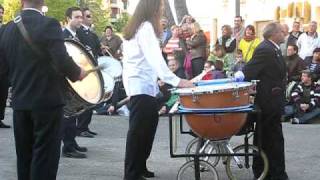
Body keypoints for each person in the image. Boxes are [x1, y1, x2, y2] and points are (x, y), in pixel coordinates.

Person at [0, 0, 88, 179]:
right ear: (44, 1)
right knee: (44, 160)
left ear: (21, 1)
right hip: (47, 103)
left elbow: (3, 69)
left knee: (24, 158)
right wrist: (78, 72)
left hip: (20, 103)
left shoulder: (7, 29)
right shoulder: (49, 24)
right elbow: (62, 60)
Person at [122, 0, 194, 179]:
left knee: (147, 128)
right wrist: (178, 81)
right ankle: (131, 172)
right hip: (140, 86)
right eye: (160, 7)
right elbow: (156, 60)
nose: (162, 10)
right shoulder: (145, 27)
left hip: (143, 85)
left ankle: (140, 166)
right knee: (139, 131)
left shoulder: (139, 28)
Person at [243, 22, 289, 180]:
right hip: (268, 102)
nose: (285, 34)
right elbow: (249, 70)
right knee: (269, 139)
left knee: (270, 138)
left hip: (274, 101)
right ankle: (270, 173)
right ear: (274, 34)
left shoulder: (273, 49)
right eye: (282, 32)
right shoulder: (265, 49)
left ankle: (269, 172)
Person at [62, 6, 90, 159]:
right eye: (77, 17)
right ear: (68, 19)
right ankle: (67, 147)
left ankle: (72, 142)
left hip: (75, 80)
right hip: (67, 81)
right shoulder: (63, 35)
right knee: (68, 114)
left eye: (81, 17)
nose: (80, 20)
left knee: (74, 113)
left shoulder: (76, 35)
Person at [76, 7, 100, 139]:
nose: (90, 18)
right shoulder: (78, 32)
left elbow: (97, 49)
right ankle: (80, 127)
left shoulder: (92, 34)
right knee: (85, 100)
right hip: (84, 69)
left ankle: (85, 126)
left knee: (92, 99)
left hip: (93, 69)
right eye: (88, 16)